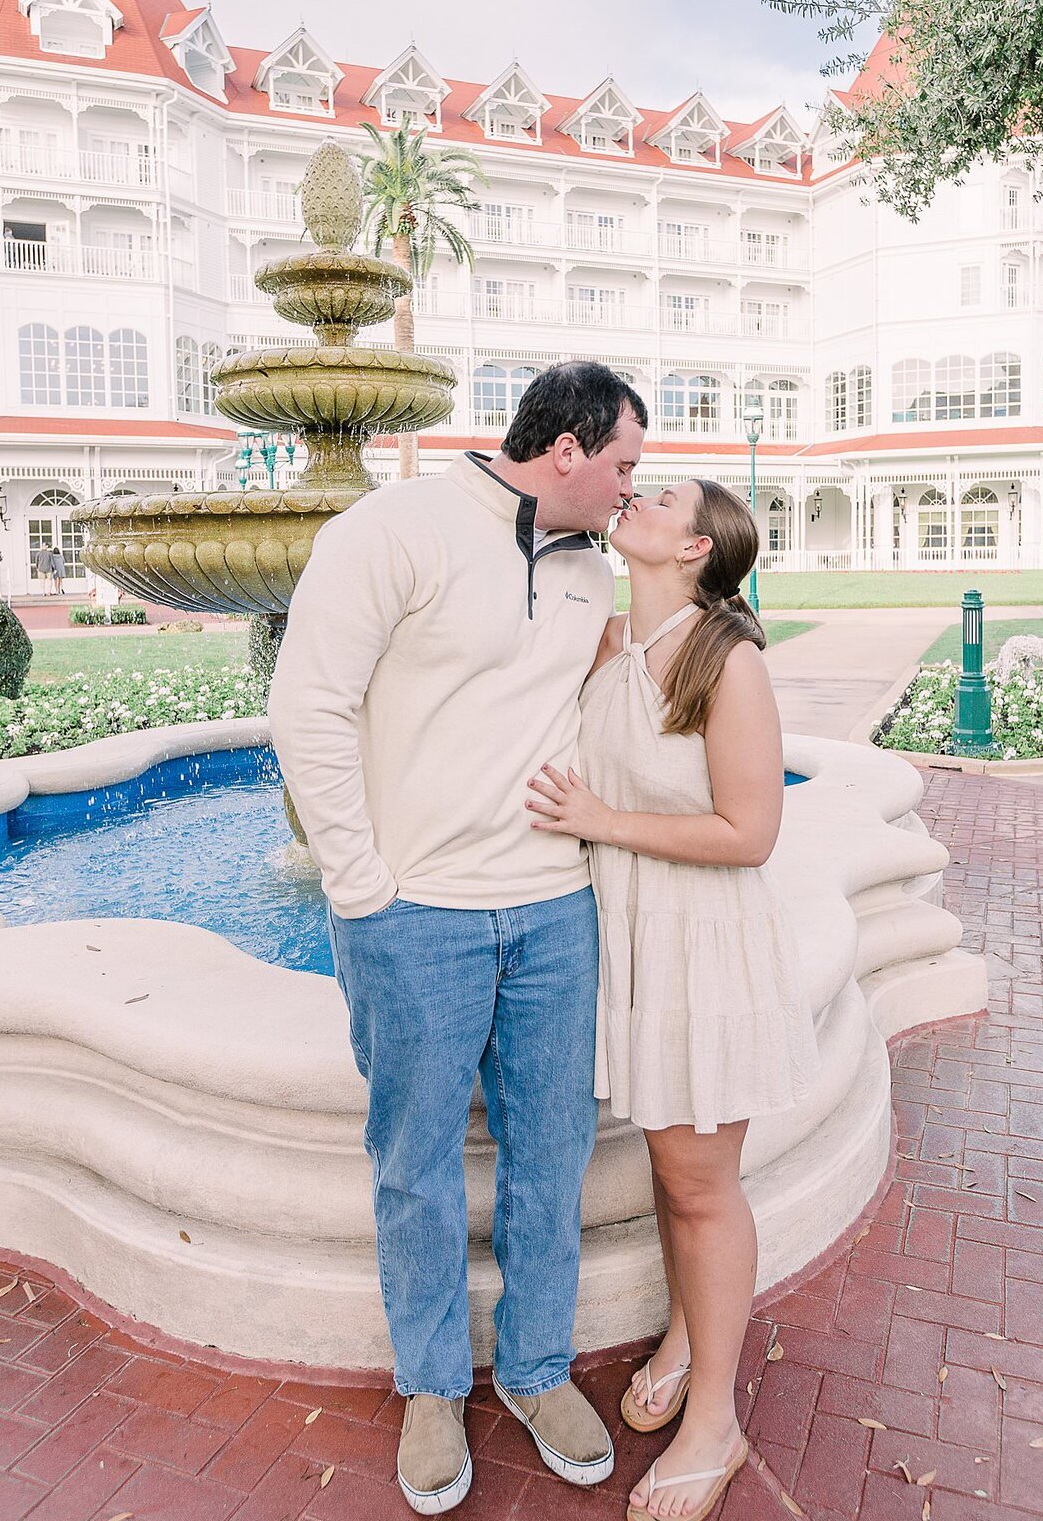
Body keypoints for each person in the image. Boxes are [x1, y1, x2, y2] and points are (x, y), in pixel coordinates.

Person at [269, 362, 646, 1515]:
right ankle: (434, 1387)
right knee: (417, 1165)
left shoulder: (594, 565)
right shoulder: (396, 528)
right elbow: (309, 704)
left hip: (553, 910)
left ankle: (535, 1371)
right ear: (569, 448)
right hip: (413, 917)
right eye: (625, 465)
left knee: (550, 1155)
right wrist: (364, 885)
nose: (635, 489)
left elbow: (633, 687)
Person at [526, 479, 819, 1521]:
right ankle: (688, 1339)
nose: (633, 495)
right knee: (670, 1161)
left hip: (704, 947)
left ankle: (715, 1425)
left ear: (694, 545)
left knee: (702, 1184)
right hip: (635, 942)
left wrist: (601, 819)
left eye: (657, 496)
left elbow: (752, 833)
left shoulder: (725, 660)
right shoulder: (609, 643)